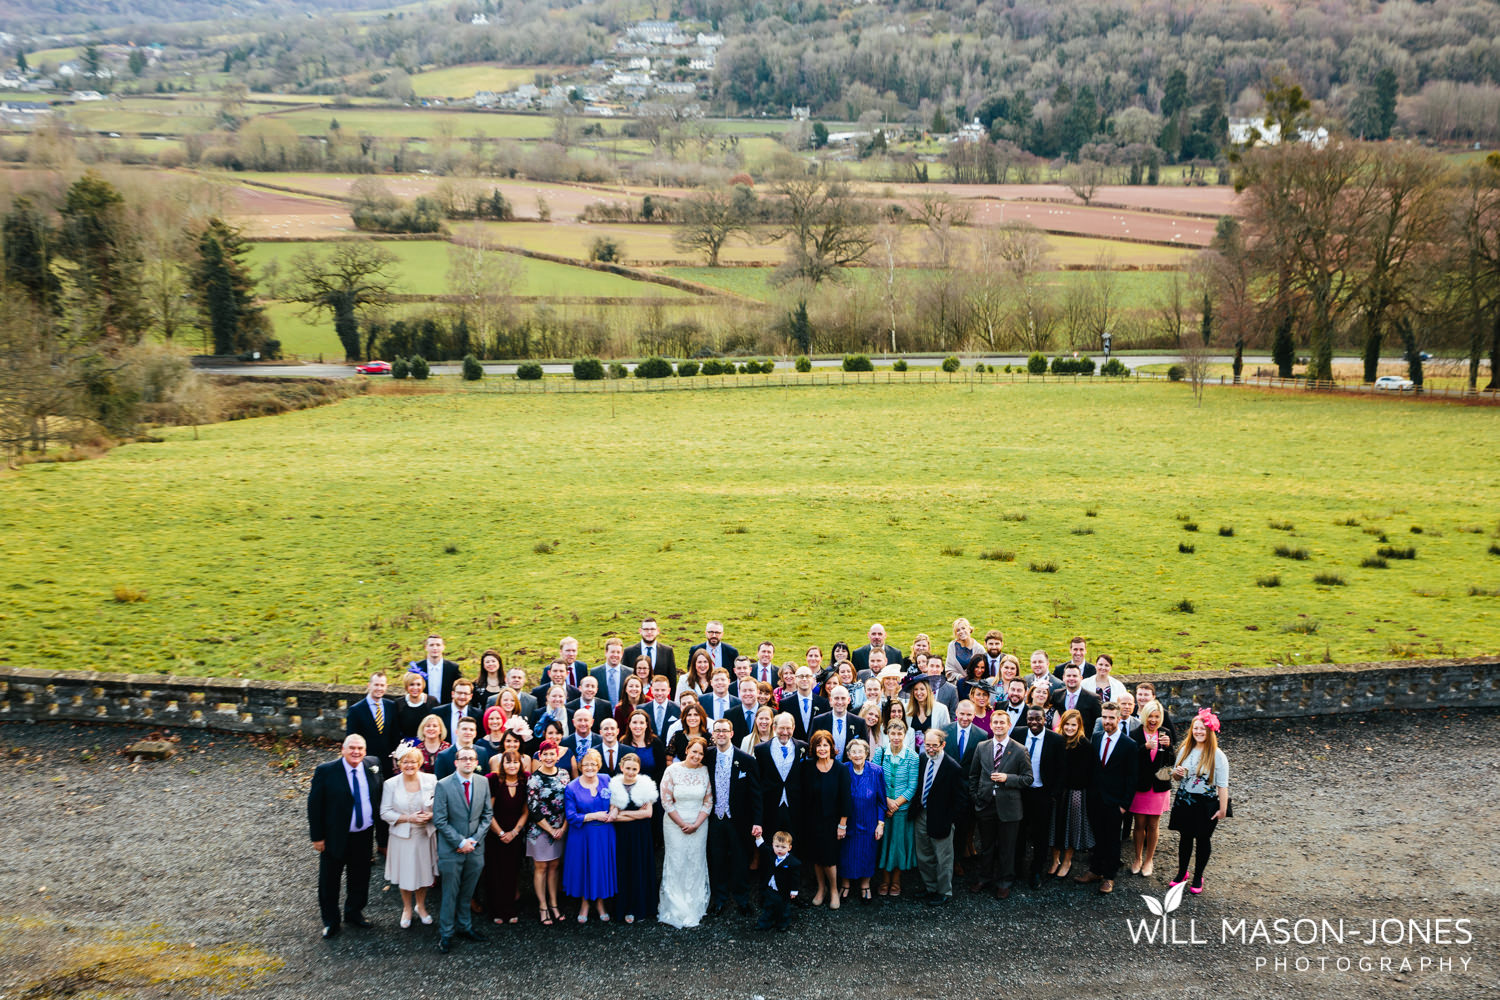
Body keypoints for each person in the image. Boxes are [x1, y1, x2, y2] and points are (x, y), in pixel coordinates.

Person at [307, 734, 382, 938]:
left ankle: (354, 912)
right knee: (330, 880)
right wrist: (317, 837)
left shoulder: (373, 764)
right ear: (343, 749)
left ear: (365, 751)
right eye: (352, 748)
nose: (356, 752)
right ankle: (331, 921)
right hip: (335, 836)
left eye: (360, 748)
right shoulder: (326, 771)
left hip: (364, 834)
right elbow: (314, 806)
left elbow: (378, 796)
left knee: (360, 876)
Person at [432, 745, 491, 953]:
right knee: (450, 893)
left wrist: (473, 840)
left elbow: (487, 815)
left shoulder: (483, 782)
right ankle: (446, 933)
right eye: (463, 758)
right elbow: (439, 820)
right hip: (451, 850)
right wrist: (460, 842)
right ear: (456, 762)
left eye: (471, 758)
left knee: (468, 892)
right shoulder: (443, 785)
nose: (468, 761)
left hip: (475, 849)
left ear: (476, 762)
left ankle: (465, 927)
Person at [969, 710, 1032, 899]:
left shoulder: (1020, 750)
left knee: (1006, 848)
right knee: (986, 846)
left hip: (1009, 807)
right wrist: (976, 796)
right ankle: (984, 877)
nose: (998, 726)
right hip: (986, 803)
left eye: (1002, 723)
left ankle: (1005, 881)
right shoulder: (982, 746)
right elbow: (973, 775)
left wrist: (1008, 778)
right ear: (990, 724)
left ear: (1008, 725)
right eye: (995, 722)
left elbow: (1028, 778)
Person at [1076, 701, 1137, 895]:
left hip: (1115, 801)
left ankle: (1109, 877)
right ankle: (1095, 870)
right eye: (1105, 717)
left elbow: (1132, 777)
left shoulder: (1129, 745)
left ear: (1119, 719)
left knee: (1112, 840)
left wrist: (1124, 805)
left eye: (1111, 718)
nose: (1108, 721)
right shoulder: (1095, 738)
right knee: (1097, 837)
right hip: (1094, 799)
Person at [705, 718, 763, 916]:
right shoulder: (707, 756)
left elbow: (756, 794)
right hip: (715, 818)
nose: (721, 734)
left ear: (732, 733)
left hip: (738, 819)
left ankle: (742, 899)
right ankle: (719, 899)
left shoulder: (746, 760)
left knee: (740, 860)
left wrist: (757, 821)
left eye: (724, 730)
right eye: (717, 731)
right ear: (713, 734)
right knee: (717, 860)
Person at [1169, 708, 1230, 895]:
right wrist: (1176, 774)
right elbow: (1176, 778)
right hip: (1185, 800)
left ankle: (1198, 876)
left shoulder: (1218, 756)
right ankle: (1182, 873)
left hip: (1206, 803)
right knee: (1185, 837)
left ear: (1210, 731)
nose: (1199, 732)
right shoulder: (1185, 750)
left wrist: (1223, 810)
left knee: (1203, 839)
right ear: (1192, 730)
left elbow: (1222, 786)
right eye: (1196, 728)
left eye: (1203, 729)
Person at [380, 742, 437, 928]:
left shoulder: (431, 780)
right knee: (405, 874)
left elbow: (440, 807)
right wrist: (408, 818)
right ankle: (406, 908)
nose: (409, 765)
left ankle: (421, 906)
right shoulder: (390, 784)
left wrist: (432, 815)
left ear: (419, 762)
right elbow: (385, 812)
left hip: (424, 835)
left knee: (423, 874)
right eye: (405, 762)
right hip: (402, 836)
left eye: (413, 762)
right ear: (399, 763)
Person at [910, 729, 968, 906]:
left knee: (943, 858)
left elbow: (962, 799)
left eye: (934, 745)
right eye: (927, 745)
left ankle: (944, 892)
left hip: (942, 818)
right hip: (922, 814)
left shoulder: (953, 768)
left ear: (943, 745)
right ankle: (930, 888)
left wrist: (949, 818)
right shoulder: (922, 759)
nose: (931, 749)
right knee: (924, 855)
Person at [659, 736, 713, 927]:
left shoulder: (705, 772)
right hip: (675, 822)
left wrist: (696, 824)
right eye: (694, 751)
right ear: (686, 750)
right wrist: (682, 823)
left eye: (700, 753)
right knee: (677, 860)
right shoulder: (672, 770)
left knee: (695, 860)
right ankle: (674, 903)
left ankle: (693, 903)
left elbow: (708, 801)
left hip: (699, 822)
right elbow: (666, 800)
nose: (697, 755)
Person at [346, 672, 398, 851]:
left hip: (388, 764)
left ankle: (383, 843)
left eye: (383, 685)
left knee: (385, 802)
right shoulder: (356, 710)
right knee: (368, 803)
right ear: (369, 685)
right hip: (366, 763)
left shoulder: (391, 706)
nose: (379, 688)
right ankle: (365, 848)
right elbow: (352, 740)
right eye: (376, 685)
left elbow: (394, 735)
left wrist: (395, 758)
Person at [563, 750, 617, 922]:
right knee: (585, 868)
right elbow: (571, 816)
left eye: (593, 764)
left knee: (600, 868)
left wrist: (614, 811)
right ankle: (585, 904)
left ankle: (600, 903)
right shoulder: (572, 787)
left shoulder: (606, 780)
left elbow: (617, 801)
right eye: (586, 764)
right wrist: (594, 816)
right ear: (580, 766)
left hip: (604, 833)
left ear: (598, 765)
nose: (589, 767)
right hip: (582, 835)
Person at [798, 730, 850, 908]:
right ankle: (821, 889)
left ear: (831, 747)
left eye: (825, 745)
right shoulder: (807, 767)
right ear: (813, 748)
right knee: (816, 857)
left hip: (832, 821)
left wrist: (842, 824)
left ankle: (834, 889)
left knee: (829, 858)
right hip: (811, 820)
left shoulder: (841, 768)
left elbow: (846, 798)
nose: (822, 748)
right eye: (818, 745)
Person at [1017, 706, 1064, 890]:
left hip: (1042, 793)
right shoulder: (1019, 733)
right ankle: (1017, 867)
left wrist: (1053, 795)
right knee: (1019, 832)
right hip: (1021, 792)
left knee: (1040, 835)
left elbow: (1061, 770)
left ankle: (1036, 870)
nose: (1034, 722)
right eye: (1030, 719)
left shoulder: (1055, 739)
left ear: (1044, 719)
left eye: (1038, 719)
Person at [609, 752, 659, 923]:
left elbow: (648, 813)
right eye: (628, 768)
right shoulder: (614, 785)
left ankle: (638, 907)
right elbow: (613, 816)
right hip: (621, 834)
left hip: (640, 834)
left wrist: (624, 813)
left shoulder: (645, 785)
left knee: (638, 867)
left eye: (634, 769)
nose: (631, 772)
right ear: (622, 767)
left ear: (639, 769)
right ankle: (622, 907)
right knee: (622, 868)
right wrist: (635, 814)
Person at [871, 718, 917, 897]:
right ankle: (884, 880)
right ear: (887, 735)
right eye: (893, 733)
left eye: (900, 734)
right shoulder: (880, 753)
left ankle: (896, 881)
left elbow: (913, 785)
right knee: (884, 844)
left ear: (904, 735)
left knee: (898, 845)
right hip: (883, 808)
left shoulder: (912, 756)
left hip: (902, 810)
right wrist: (887, 801)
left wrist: (896, 803)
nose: (896, 737)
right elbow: (875, 780)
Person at [482, 750, 528, 925]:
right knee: (495, 873)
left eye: (515, 762)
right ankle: (496, 911)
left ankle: (510, 909)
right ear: (502, 764)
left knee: (511, 872)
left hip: (515, 835)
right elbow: (488, 812)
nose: (512, 766)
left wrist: (515, 832)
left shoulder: (524, 782)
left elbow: (525, 811)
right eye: (508, 762)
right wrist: (501, 833)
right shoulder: (495, 782)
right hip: (495, 835)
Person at [1049, 709, 1095, 879]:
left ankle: (1067, 860)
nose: (1069, 728)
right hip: (1057, 791)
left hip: (1075, 792)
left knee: (1071, 826)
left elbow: (1087, 773)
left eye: (1073, 725)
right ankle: (1055, 860)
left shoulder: (1085, 745)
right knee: (1054, 826)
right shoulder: (1056, 741)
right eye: (1066, 724)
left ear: (1079, 726)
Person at [526, 740, 568, 925]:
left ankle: (554, 903)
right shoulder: (534, 779)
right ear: (540, 756)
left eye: (553, 754)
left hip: (560, 827)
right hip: (540, 829)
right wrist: (551, 829)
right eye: (546, 754)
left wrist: (563, 828)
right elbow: (533, 808)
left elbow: (571, 802)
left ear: (557, 756)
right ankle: (542, 906)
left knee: (554, 866)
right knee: (541, 867)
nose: (549, 757)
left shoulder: (564, 774)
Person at [1130, 700, 1174, 877]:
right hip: (1140, 786)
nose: (1153, 720)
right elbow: (1130, 760)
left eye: (1157, 717)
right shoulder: (1135, 733)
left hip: (1159, 786)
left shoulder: (1165, 733)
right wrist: (1144, 748)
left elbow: (1171, 762)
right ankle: (1138, 858)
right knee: (1139, 824)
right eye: (1150, 716)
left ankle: (1149, 860)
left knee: (1154, 825)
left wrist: (1169, 747)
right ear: (1144, 716)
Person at [838, 738, 884, 904]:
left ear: (867, 753)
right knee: (846, 853)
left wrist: (880, 823)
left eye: (861, 751)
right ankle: (845, 884)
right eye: (853, 752)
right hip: (847, 821)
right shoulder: (842, 769)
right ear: (849, 755)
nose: (857, 755)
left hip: (869, 821)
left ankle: (865, 885)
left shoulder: (876, 771)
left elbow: (881, 801)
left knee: (867, 853)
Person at [755, 713, 805, 856]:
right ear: (774, 727)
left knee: (794, 842)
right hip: (771, 804)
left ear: (794, 728)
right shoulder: (761, 749)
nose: (785, 732)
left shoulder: (802, 747)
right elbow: (759, 779)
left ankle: (792, 875)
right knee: (771, 842)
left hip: (794, 805)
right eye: (781, 728)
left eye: (788, 728)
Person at [756, 831, 801, 931]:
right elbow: (763, 848)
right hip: (771, 888)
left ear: (789, 848)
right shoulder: (772, 854)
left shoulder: (793, 862)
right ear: (773, 845)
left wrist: (794, 890)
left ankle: (783, 924)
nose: (779, 849)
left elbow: (795, 878)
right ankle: (765, 923)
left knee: (783, 908)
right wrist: (758, 837)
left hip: (783, 890)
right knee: (768, 906)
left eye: (783, 847)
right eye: (777, 846)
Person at [811, 684, 867, 758]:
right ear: (831, 700)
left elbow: (865, 749)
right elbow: (812, 748)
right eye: (836, 698)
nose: (840, 702)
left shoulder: (859, 722)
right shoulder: (818, 721)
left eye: (843, 698)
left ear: (848, 700)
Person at [624, 616, 678, 691]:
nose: (649, 632)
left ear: (658, 631)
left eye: (652, 629)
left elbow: (672, 679)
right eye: (646, 629)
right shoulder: (628, 652)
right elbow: (625, 679)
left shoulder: (667, 651)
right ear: (640, 631)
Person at [408, 634, 461, 705]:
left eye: (438, 645)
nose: (435, 648)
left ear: (443, 647)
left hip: (445, 708)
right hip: (423, 708)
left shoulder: (453, 668)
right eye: (431, 645)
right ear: (426, 647)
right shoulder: (417, 667)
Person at [1052, 664, 1101, 733]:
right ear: (1063, 678)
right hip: (1060, 739)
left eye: (1075, 676)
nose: (1071, 678)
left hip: (1083, 740)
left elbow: (1098, 723)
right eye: (1068, 676)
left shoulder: (1093, 698)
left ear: (1081, 678)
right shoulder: (1057, 695)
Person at [393, 672, 437, 741]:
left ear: (423, 686)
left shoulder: (432, 701)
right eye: (411, 684)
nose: (415, 688)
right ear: (406, 686)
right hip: (406, 745)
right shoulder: (398, 703)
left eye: (418, 684)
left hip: (428, 744)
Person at [591, 637, 629, 707]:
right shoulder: (595, 673)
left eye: (618, 652)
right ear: (606, 652)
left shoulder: (629, 673)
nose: (615, 655)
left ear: (622, 654)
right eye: (612, 652)